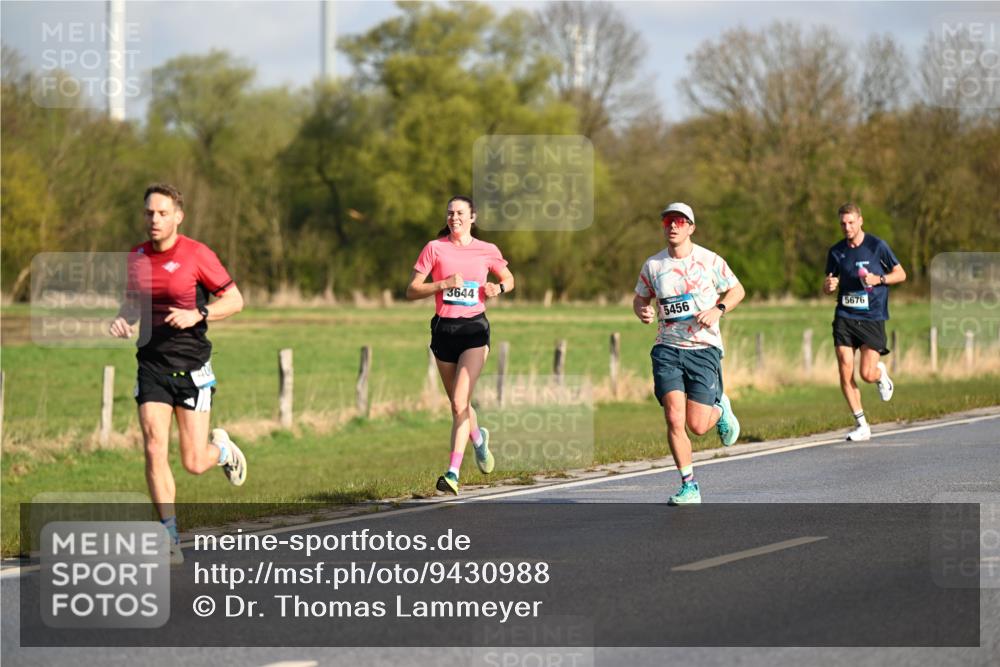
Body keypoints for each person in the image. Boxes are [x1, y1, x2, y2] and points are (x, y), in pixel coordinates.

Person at [110, 183, 247, 561]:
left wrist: (197, 314)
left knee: (193, 462)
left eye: (162, 213)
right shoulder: (137, 256)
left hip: (191, 367)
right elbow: (132, 304)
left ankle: (222, 450)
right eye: (149, 213)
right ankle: (168, 537)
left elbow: (235, 300)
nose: (154, 219)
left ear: (178, 217)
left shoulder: (197, 254)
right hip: (151, 365)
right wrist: (123, 320)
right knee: (154, 446)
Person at [633, 202, 745, 505]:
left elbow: (737, 290)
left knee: (697, 426)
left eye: (680, 221)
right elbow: (640, 298)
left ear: (691, 228)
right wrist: (642, 310)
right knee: (674, 418)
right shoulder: (653, 265)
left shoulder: (709, 260)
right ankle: (689, 485)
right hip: (667, 348)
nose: (673, 226)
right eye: (668, 221)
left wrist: (718, 309)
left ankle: (721, 409)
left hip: (703, 349)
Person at [406, 195, 514, 495]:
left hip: (474, 330)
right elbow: (412, 290)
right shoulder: (434, 248)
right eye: (450, 213)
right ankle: (479, 440)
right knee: (460, 405)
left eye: (460, 213)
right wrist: (442, 284)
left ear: (472, 217)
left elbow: (509, 279)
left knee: (458, 402)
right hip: (443, 330)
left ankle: (452, 473)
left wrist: (498, 287)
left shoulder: (487, 250)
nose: (454, 218)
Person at [823, 202, 906, 441]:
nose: (847, 227)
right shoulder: (836, 251)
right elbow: (828, 284)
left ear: (860, 221)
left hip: (872, 317)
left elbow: (901, 274)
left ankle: (879, 375)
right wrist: (828, 286)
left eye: (851, 222)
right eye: (843, 223)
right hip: (845, 316)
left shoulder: (877, 246)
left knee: (866, 373)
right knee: (844, 368)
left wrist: (879, 279)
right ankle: (862, 425)